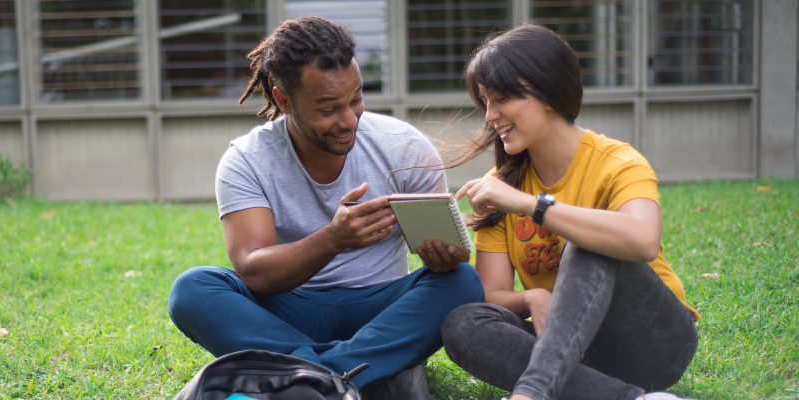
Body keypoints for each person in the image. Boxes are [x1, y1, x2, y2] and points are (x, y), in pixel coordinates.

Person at [167, 16, 483, 399]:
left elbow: (451, 259)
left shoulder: (404, 148)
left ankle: (304, 377)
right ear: (284, 100)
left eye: (356, 99)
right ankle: (351, 374)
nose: (349, 120)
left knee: (462, 282)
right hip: (288, 310)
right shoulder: (247, 160)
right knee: (192, 288)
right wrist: (333, 239)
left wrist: (445, 256)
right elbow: (254, 274)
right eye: (328, 108)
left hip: (379, 311)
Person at [440, 24, 701, 400]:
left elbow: (643, 241)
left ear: (547, 91)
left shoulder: (618, 163)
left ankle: (530, 394)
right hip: (571, 350)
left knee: (587, 243)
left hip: (652, 341)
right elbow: (493, 294)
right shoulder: (501, 183)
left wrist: (533, 205)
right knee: (463, 323)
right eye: (486, 102)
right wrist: (530, 299)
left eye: (501, 99)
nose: (490, 116)